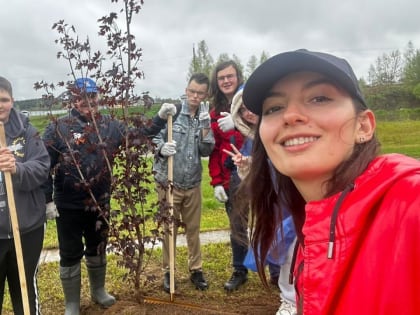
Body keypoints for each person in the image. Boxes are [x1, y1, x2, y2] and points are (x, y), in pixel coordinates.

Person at [241, 49, 420, 314]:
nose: (290, 116)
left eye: (319, 98)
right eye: (274, 108)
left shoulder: (409, 206)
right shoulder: (312, 233)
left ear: (364, 126)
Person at [42, 77, 176, 315]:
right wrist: (47, 200)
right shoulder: (58, 127)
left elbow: (137, 135)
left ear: (98, 97)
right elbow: (44, 165)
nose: (88, 102)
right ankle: (72, 303)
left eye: (92, 96)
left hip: (100, 202)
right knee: (70, 252)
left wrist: (158, 119)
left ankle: (98, 291)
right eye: (82, 97)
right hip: (68, 204)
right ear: (74, 99)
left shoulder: (111, 126)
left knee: (97, 246)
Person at [224, 88, 297, 315]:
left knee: (298, 247)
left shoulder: (282, 129)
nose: (247, 113)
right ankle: (289, 298)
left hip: (296, 198)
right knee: (282, 246)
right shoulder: (253, 140)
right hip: (274, 202)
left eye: (250, 107)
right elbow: (260, 174)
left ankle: (298, 297)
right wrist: (247, 167)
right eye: (242, 110)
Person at [153, 73, 215, 292]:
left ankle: (196, 270)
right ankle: (169, 271)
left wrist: (206, 127)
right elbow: (152, 135)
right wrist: (161, 148)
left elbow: (206, 149)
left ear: (206, 94)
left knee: (194, 230)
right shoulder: (173, 113)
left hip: (192, 183)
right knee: (168, 230)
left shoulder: (204, 117)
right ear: (186, 89)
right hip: (168, 182)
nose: (195, 96)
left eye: (200, 93)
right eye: (192, 91)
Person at [0, 76, 50, 315]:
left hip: (27, 229)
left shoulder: (28, 132)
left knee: (25, 291)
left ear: (12, 101)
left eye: (4, 99)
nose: (0, 105)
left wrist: (17, 168)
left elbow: (42, 168)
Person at [208, 60, 248, 291]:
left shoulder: (252, 102)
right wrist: (216, 182)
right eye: (221, 77)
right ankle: (239, 270)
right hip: (232, 175)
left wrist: (239, 121)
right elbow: (214, 149)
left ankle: (275, 270)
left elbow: (264, 130)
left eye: (230, 76)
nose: (226, 81)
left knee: (270, 222)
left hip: (259, 171)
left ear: (238, 76)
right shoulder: (215, 112)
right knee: (237, 225)